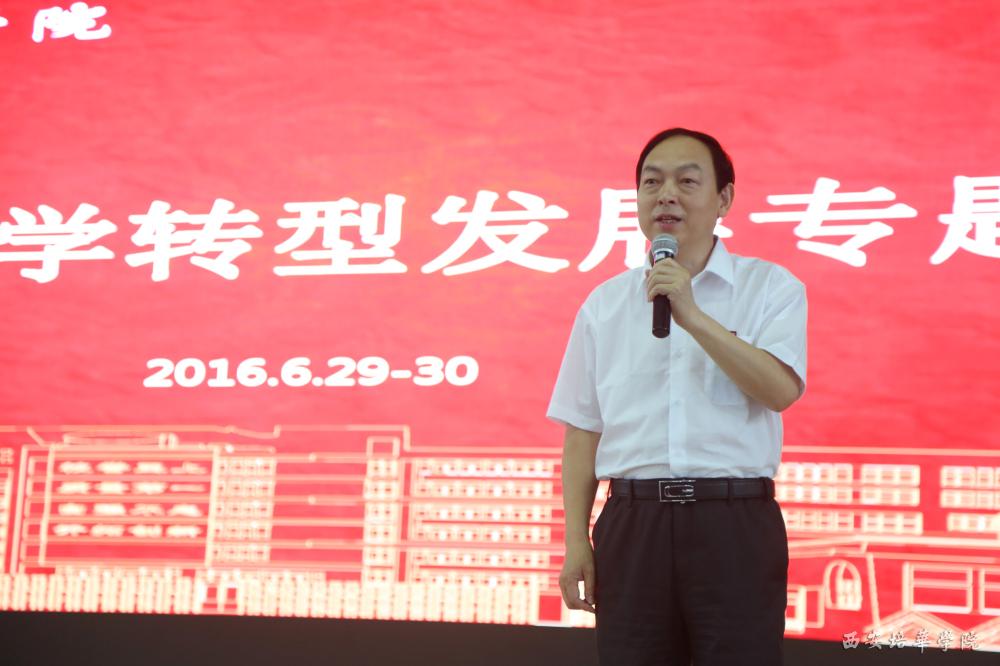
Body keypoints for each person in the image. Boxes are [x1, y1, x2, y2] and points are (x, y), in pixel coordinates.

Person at [547, 128, 807, 665]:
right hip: (633, 525)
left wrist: (692, 315)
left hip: (733, 523)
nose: (666, 195)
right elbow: (583, 430)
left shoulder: (771, 287)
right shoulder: (604, 304)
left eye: (687, 181)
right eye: (652, 182)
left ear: (723, 199)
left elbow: (780, 390)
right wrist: (576, 540)